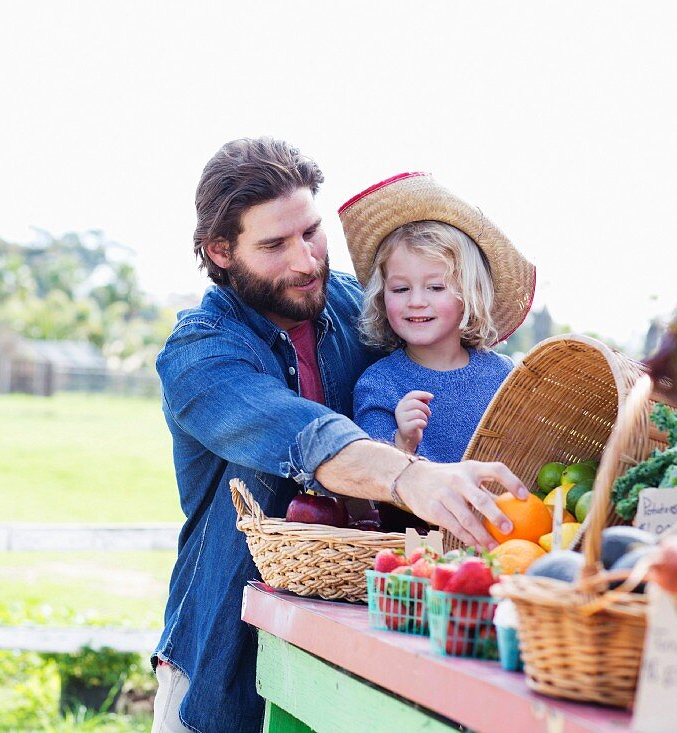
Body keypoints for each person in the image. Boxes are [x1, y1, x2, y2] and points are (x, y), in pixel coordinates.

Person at [152, 138, 530, 733]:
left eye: (311, 232)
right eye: (275, 245)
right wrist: (412, 477)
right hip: (225, 649)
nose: (305, 261)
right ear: (220, 251)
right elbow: (305, 436)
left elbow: (450, 353)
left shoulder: (361, 309)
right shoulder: (200, 356)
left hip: (360, 642)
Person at [341, 172, 536, 462]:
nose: (417, 302)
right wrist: (403, 441)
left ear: (469, 295)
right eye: (401, 288)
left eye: (435, 287)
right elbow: (372, 479)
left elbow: (529, 453)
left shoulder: (504, 376)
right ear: (382, 298)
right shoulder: (381, 382)